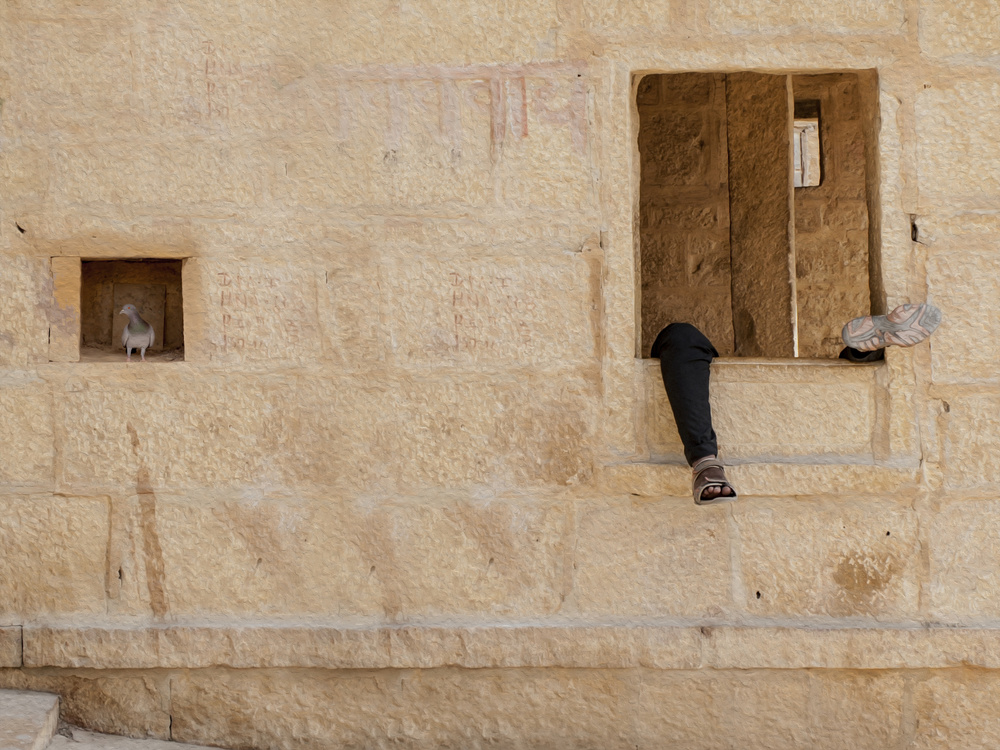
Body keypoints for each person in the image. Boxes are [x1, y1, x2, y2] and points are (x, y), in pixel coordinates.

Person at [651, 302, 942, 505]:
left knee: (680, 336)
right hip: (684, 360)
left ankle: (704, 461)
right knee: (679, 335)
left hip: (699, 370)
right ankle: (861, 352)